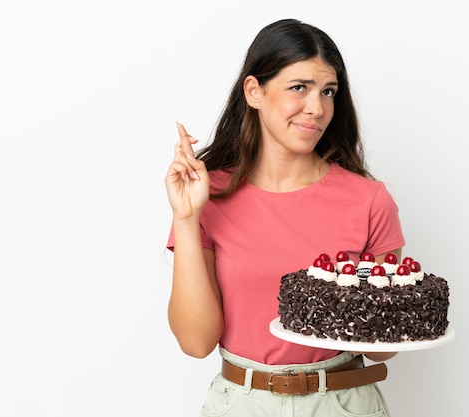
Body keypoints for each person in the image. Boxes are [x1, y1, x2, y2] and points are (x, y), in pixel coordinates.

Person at [165, 18, 405, 416]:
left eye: (328, 91)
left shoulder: (368, 200)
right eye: (299, 88)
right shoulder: (208, 195)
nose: (317, 108)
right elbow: (196, 342)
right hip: (241, 404)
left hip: (341, 403)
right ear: (254, 91)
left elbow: (386, 347)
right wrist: (187, 219)